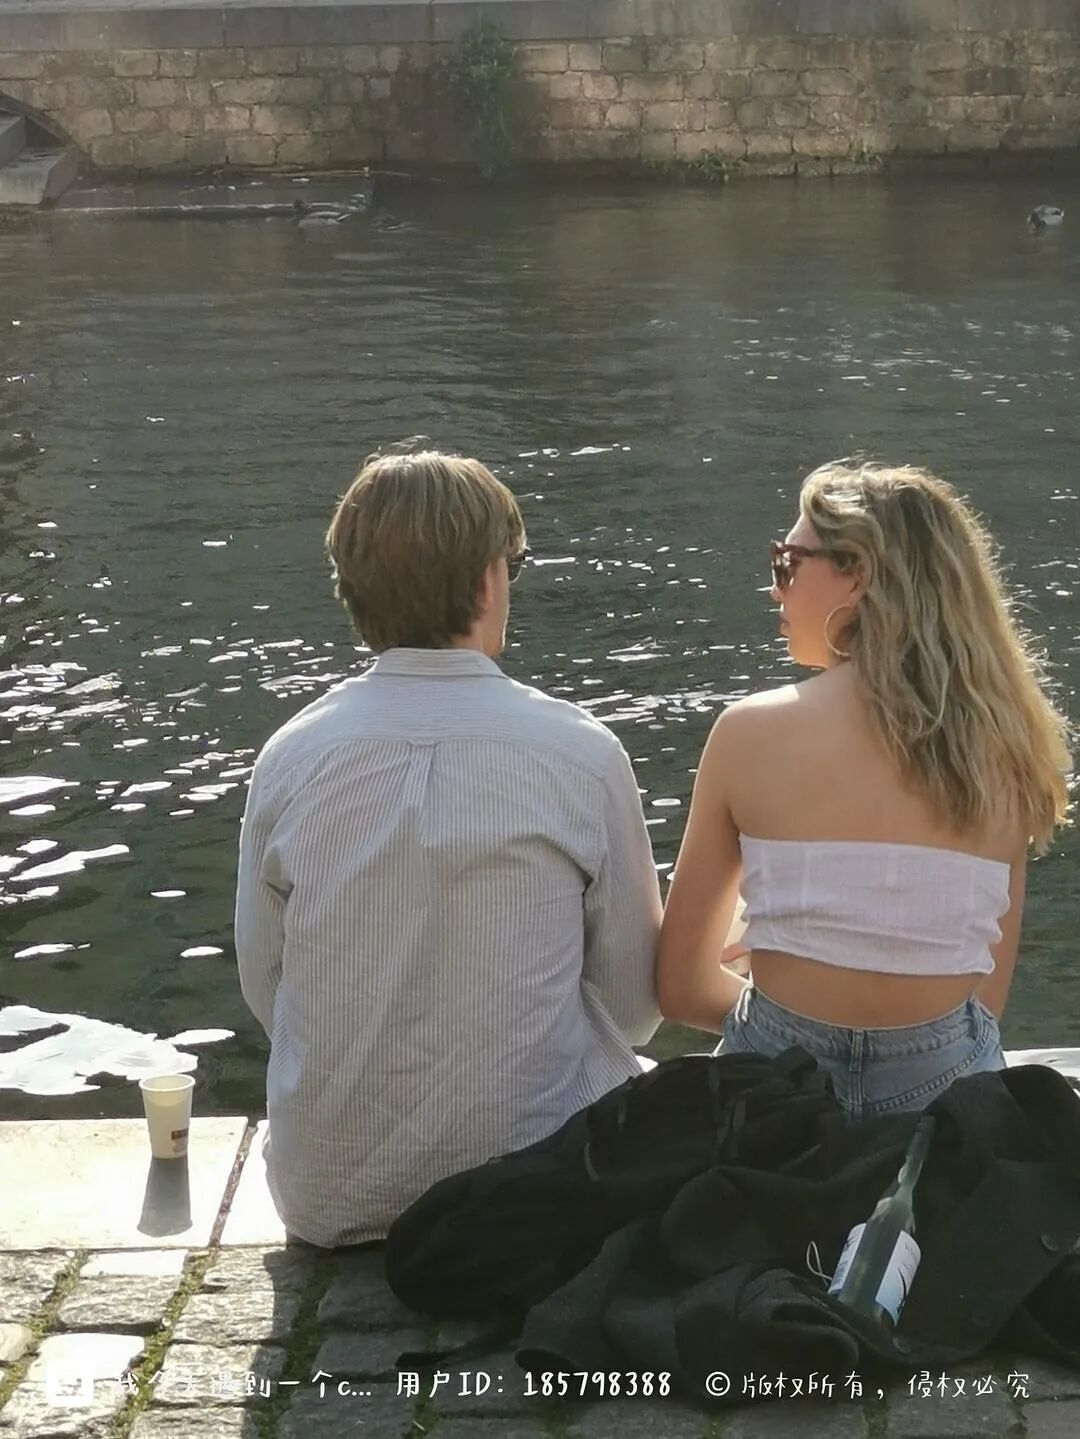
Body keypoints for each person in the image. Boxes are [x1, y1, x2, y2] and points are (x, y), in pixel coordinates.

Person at [235, 445, 662, 1246]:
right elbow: (634, 1010)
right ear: (488, 581)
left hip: (326, 1195)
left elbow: (267, 985)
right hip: (533, 1190)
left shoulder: (291, 756)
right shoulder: (581, 753)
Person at [658, 460, 1072, 1119]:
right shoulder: (1009, 750)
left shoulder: (749, 733)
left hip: (771, 1095)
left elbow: (679, 987)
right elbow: (983, 1002)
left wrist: (785, 996)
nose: (774, 588)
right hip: (946, 1100)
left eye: (787, 563)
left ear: (858, 573)